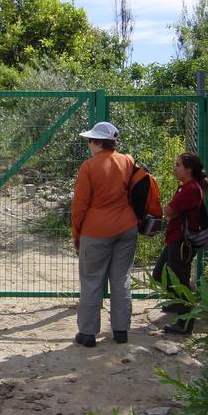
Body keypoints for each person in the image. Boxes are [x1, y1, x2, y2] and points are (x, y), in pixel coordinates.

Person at [71, 122, 138, 347]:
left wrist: (76, 233)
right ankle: (121, 331)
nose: (89, 144)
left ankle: (88, 334)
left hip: (96, 230)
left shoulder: (89, 167)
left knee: (91, 281)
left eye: (90, 140)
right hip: (127, 226)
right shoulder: (128, 161)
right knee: (121, 279)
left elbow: (80, 205)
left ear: (98, 142)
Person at [152, 152, 208, 334]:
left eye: (178, 165)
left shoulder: (190, 188)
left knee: (180, 280)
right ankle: (178, 304)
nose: (174, 168)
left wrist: (170, 212)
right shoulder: (185, 187)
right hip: (175, 239)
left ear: (189, 169)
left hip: (182, 242)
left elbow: (168, 211)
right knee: (160, 273)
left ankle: (185, 324)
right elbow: (170, 212)